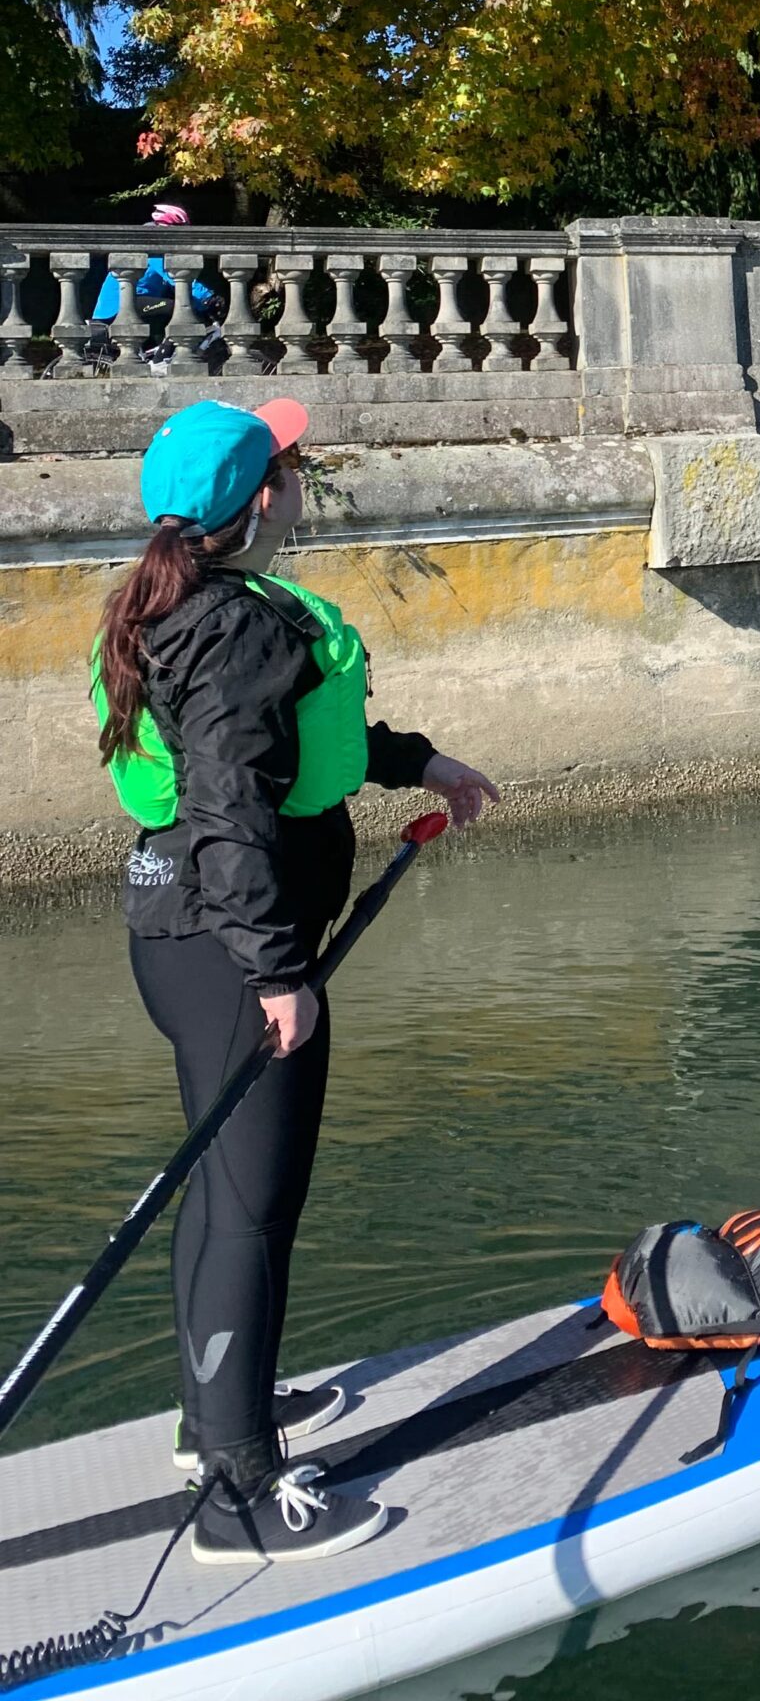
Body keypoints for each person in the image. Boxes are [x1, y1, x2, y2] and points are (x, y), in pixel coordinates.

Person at [93, 397, 500, 1564]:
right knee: (254, 1211)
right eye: (295, 469)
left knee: (226, 1194)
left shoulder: (189, 607)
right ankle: (238, 1494)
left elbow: (288, 741)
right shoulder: (237, 629)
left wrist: (420, 760)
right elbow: (229, 804)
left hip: (179, 934)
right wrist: (276, 971)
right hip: (231, 951)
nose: (305, 482)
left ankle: (213, 1415)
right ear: (262, 501)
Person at [89, 204, 223, 365]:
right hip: (121, 304)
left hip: (133, 301)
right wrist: (208, 297)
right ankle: (160, 363)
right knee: (180, 310)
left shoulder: (152, 245)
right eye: (178, 231)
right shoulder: (151, 249)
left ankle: (157, 363)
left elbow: (179, 286)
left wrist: (202, 304)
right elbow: (174, 275)